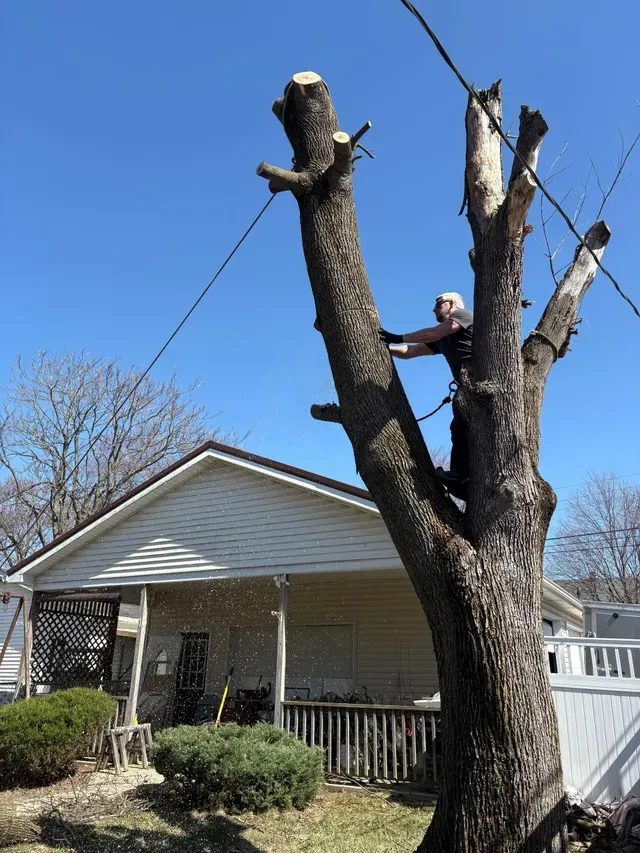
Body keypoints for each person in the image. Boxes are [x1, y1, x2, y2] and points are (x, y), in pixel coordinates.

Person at [379, 292, 473, 499]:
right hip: (466, 389)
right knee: (458, 429)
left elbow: (435, 332)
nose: (434, 309)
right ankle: (461, 479)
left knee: (464, 429)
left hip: (479, 384)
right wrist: (386, 346)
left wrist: (399, 335)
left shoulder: (464, 316)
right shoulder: (443, 338)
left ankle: (463, 476)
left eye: (438, 304)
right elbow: (411, 352)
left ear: (452, 304)